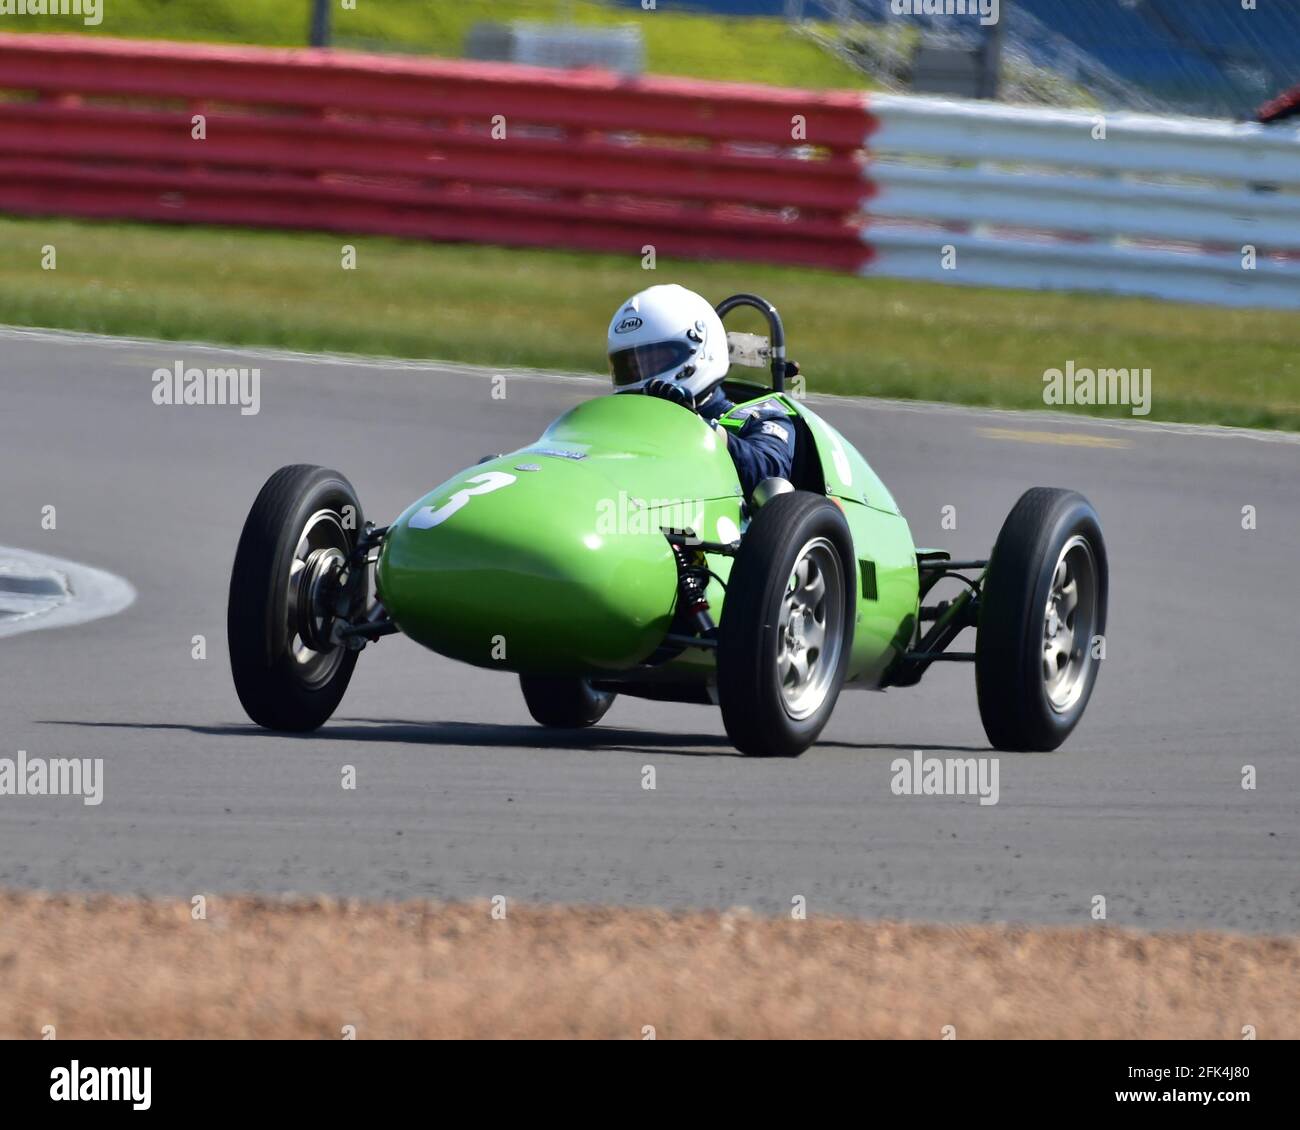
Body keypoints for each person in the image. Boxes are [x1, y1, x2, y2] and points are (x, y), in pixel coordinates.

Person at [606, 284, 795, 496]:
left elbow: (770, 476)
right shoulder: (620, 422)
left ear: (701, 351)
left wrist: (695, 426)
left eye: (655, 360)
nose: (641, 376)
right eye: (629, 367)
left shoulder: (762, 418)